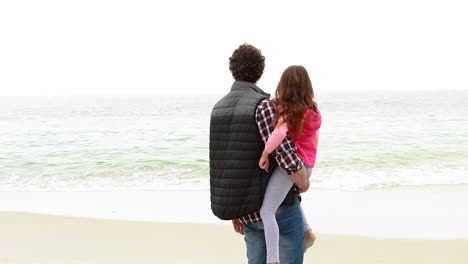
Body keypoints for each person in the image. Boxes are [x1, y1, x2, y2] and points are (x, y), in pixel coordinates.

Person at [209, 44, 309, 264]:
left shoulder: (218, 109)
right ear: (260, 72)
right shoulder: (263, 106)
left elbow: (225, 166)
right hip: (279, 208)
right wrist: (304, 181)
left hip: (247, 211)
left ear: (232, 70)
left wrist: (235, 212)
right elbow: (286, 156)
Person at [258, 66, 322, 264]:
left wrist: (265, 153)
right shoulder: (314, 112)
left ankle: (272, 259)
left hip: (295, 167)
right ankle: (307, 233)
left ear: (284, 86)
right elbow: (315, 140)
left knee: (267, 210)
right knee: (290, 195)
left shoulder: (290, 113)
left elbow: (278, 135)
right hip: (308, 165)